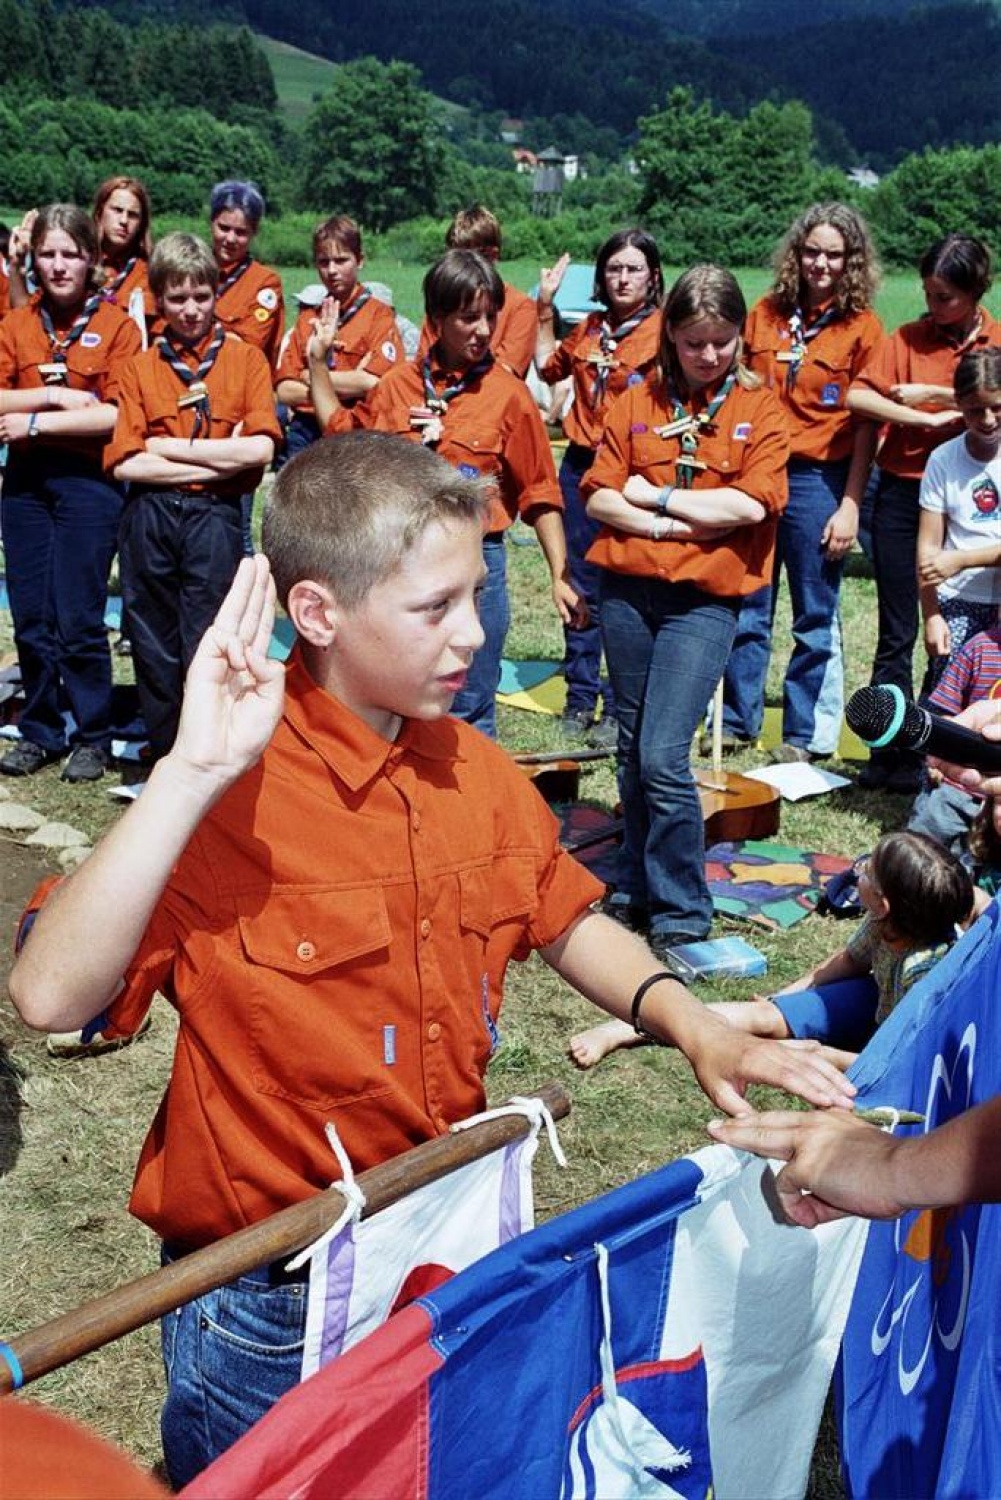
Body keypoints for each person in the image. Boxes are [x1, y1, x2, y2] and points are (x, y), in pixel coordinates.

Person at [8, 433, 854, 1484]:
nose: (475, 632)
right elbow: (49, 998)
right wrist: (185, 776)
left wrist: (694, 1023)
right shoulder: (227, 795)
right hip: (267, 1295)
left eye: (474, 596)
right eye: (436, 608)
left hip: (432, 1249)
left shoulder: (473, 768)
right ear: (316, 614)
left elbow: (562, 917)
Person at [580, 263, 788, 958]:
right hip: (629, 595)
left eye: (721, 342)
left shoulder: (759, 410)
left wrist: (658, 500)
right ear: (669, 337)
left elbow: (748, 505)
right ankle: (635, 881)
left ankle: (679, 908)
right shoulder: (636, 401)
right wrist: (676, 524)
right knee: (631, 745)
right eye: (694, 343)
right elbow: (600, 496)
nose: (707, 356)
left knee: (665, 754)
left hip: (703, 602)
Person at [310, 248, 582, 737]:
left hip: (477, 568)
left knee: (469, 703)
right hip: (399, 565)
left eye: (490, 318)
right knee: (400, 700)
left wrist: (559, 572)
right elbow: (340, 433)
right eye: (467, 318)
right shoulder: (397, 388)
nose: (482, 330)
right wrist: (316, 363)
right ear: (436, 319)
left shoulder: (508, 395)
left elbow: (541, 490)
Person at [570, 830, 973, 1069]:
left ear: (885, 903)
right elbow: (849, 961)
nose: (858, 869)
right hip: (877, 1002)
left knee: (794, 1048)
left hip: (898, 1044)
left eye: (868, 869)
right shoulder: (887, 920)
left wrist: (824, 1055)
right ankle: (630, 1026)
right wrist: (788, 996)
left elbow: (904, 1063)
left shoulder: (926, 973)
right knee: (765, 1016)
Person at [106, 232, 281, 766]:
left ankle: (207, 755)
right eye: (177, 298)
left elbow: (260, 450)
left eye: (201, 296)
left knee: (208, 639)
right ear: (158, 298)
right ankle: (165, 757)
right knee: (153, 641)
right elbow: (126, 461)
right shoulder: (140, 367)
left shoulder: (245, 361)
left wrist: (169, 447)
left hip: (215, 518)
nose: (190, 310)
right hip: (149, 517)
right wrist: (213, 454)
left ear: (215, 294)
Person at [720, 203, 883, 761]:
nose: (820, 263)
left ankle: (802, 735)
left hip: (820, 479)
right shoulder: (765, 313)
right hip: (757, 473)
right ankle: (737, 720)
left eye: (834, 255)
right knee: (748, 600)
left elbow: (866, 426)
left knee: (815, 612)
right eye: (812, 251)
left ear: (851, 262)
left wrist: (851, 504)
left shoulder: (862, 328)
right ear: (796, 253)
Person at [848, 234, 999, 792]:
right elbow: (860, 399)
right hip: (905, 494)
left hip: (973, 502)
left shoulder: (995, 342)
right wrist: (919, 418)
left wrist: (934, 397)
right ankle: (887, 751)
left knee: (967, 641)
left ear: (975, 292)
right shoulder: (908, 336)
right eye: (929, 294)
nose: (933, 308)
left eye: (945, 298)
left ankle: (953, 752)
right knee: (897, 631)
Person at [0, 202, 141, 781]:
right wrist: (54, 399)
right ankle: (39, 728)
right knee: (31, 615)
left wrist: (35, 424)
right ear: (34, 260)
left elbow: (119, 414)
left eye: (71, 255)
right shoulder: (15, 325)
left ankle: (92, 733)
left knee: (79, 615)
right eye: (48, 254)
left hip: (90, 484)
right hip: (27, 485)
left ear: (91, 261)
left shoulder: (118, 328)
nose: (59, 266)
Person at [536, 230, 664, 746]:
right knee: (578, 582)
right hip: (583, 468)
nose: (623, 278)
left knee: (626, 590)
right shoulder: (589, 329)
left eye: (633, 268)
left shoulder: (662, 334)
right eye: (614, 269)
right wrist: (544, 308)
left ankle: (619, 706)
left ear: (653, 276)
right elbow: (549, 368)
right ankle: (579, 695)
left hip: (634, 475)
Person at [274, 214, 403, 462]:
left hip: (356, 426)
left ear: (360, 260)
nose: (332, 271)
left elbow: (375, 383)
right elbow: (285, 391)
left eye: (341, 260)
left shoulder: (379, 316)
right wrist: (349, 384)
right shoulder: (308, 318)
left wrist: (311, 374)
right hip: (306, 431)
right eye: (324, 262)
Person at [916, 345, 1001, 692]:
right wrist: (932, 614)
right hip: (958, 603)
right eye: (975, 411)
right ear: (958, 405)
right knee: (950, 700)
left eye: (997, 408)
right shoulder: (943, 460)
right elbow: (928, 548)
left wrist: (962, 559)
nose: (988, 420)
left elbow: (948, 558)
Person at [907, 622, 1001, 858]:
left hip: (996, 805)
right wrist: (942, 755)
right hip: (958, 788)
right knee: (923, 849)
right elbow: (943, 712)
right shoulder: (980, 648)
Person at [415, 204, 537, 378]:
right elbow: (425, 364)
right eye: (457, 258)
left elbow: (506, 375)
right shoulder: (444, 303)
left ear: (493, 256)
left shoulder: (521, 307)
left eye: (473, 256)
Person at [209, 180, 285, 373]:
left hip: (238, 381)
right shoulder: (189, 269)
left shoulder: (265, 282)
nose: (230, 239)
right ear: (212, 222)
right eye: (224, 228)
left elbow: (247, 346)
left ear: (255, 232)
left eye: (241, 232)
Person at [92, 175, 156, 342]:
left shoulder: (150, 273)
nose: (124, 221)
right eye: (117, 210)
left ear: (142, 224)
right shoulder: (78, 263)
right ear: (100, 213)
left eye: (133, 215)